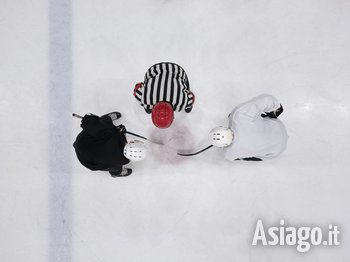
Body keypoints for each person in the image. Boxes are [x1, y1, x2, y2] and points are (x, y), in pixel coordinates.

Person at [208, 94, 288, 161]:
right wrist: (277, 108)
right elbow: (267, 100)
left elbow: (244, 158)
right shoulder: (239, 115)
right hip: (278, 127)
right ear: (223, 128)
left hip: (277, 151)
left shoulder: (229, 154)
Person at [73, 112, 147, 177]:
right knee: (116, 166)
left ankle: (107, 118)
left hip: (83, 143)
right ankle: (116, 172)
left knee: (104, 122)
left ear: (132, 143)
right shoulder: (123, 160)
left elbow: (90, 124)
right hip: (87, 160)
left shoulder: (111, 134)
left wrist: (90, 119)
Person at [133, 62, 195, 128]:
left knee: (188, 105)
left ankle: (187, 107)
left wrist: (183, 102)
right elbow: (137, 87)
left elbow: (192, 97)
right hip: (154, 70)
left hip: (177, 71)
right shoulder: (144, 97)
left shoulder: (183, 101)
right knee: (147, 108)